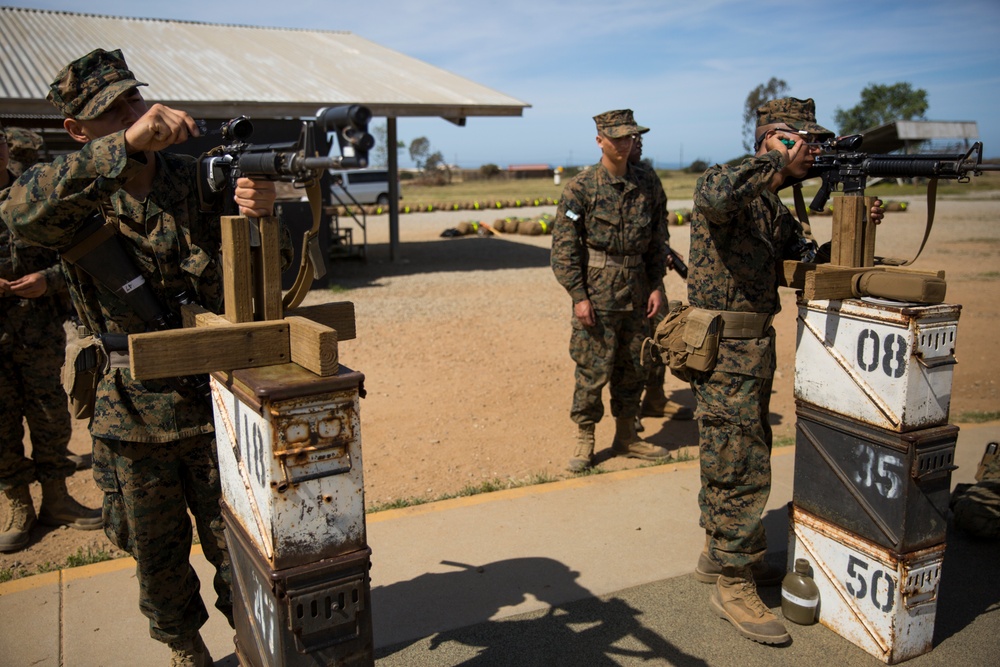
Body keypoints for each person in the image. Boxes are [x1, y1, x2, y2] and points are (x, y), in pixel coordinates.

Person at [0, 48, 287, 666]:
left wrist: (264, 220)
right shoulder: (73, 194)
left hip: (217, 400)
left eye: (136, 99)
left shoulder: (194, 180)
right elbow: (20, 214)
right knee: (156, 554)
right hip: (133, 411)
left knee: (241, 543)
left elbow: (275, 278)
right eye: (113, 110)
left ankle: (255, 640)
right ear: (78, 131)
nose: (137, 114)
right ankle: (186, 649)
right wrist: (124, 144)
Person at [687, 97, 883, 645]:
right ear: (777, 138)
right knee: (737, 461)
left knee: (738, 452)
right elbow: (716, 196)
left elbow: (809, 263)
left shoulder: (773, 209)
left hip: (754, 348)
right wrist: (776, 162)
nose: (816, 151)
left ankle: (718, 553)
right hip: (723, 348)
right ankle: (732, 581)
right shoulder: (726, 182)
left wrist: (856, 223)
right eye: (808, 140)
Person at [0, 121, 102, 554]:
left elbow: (79, 256)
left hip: (38, 332)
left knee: (50, 418)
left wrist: (49, 280)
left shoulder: (36, 193)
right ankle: (18, 506)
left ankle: (57, 500)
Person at [551, 109, 672, 473]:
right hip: (598, 294)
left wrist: (655, 286)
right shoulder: (581, 187)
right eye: (617, 137)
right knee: (591, 370)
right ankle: (585, 440)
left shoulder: (648, 183)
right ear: (600, 140)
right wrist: (579, 296)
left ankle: (626, 436)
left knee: (634, 367)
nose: (625, 143)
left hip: (638, 292)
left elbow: (657, 240)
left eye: (630, 137)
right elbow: (563, 248)